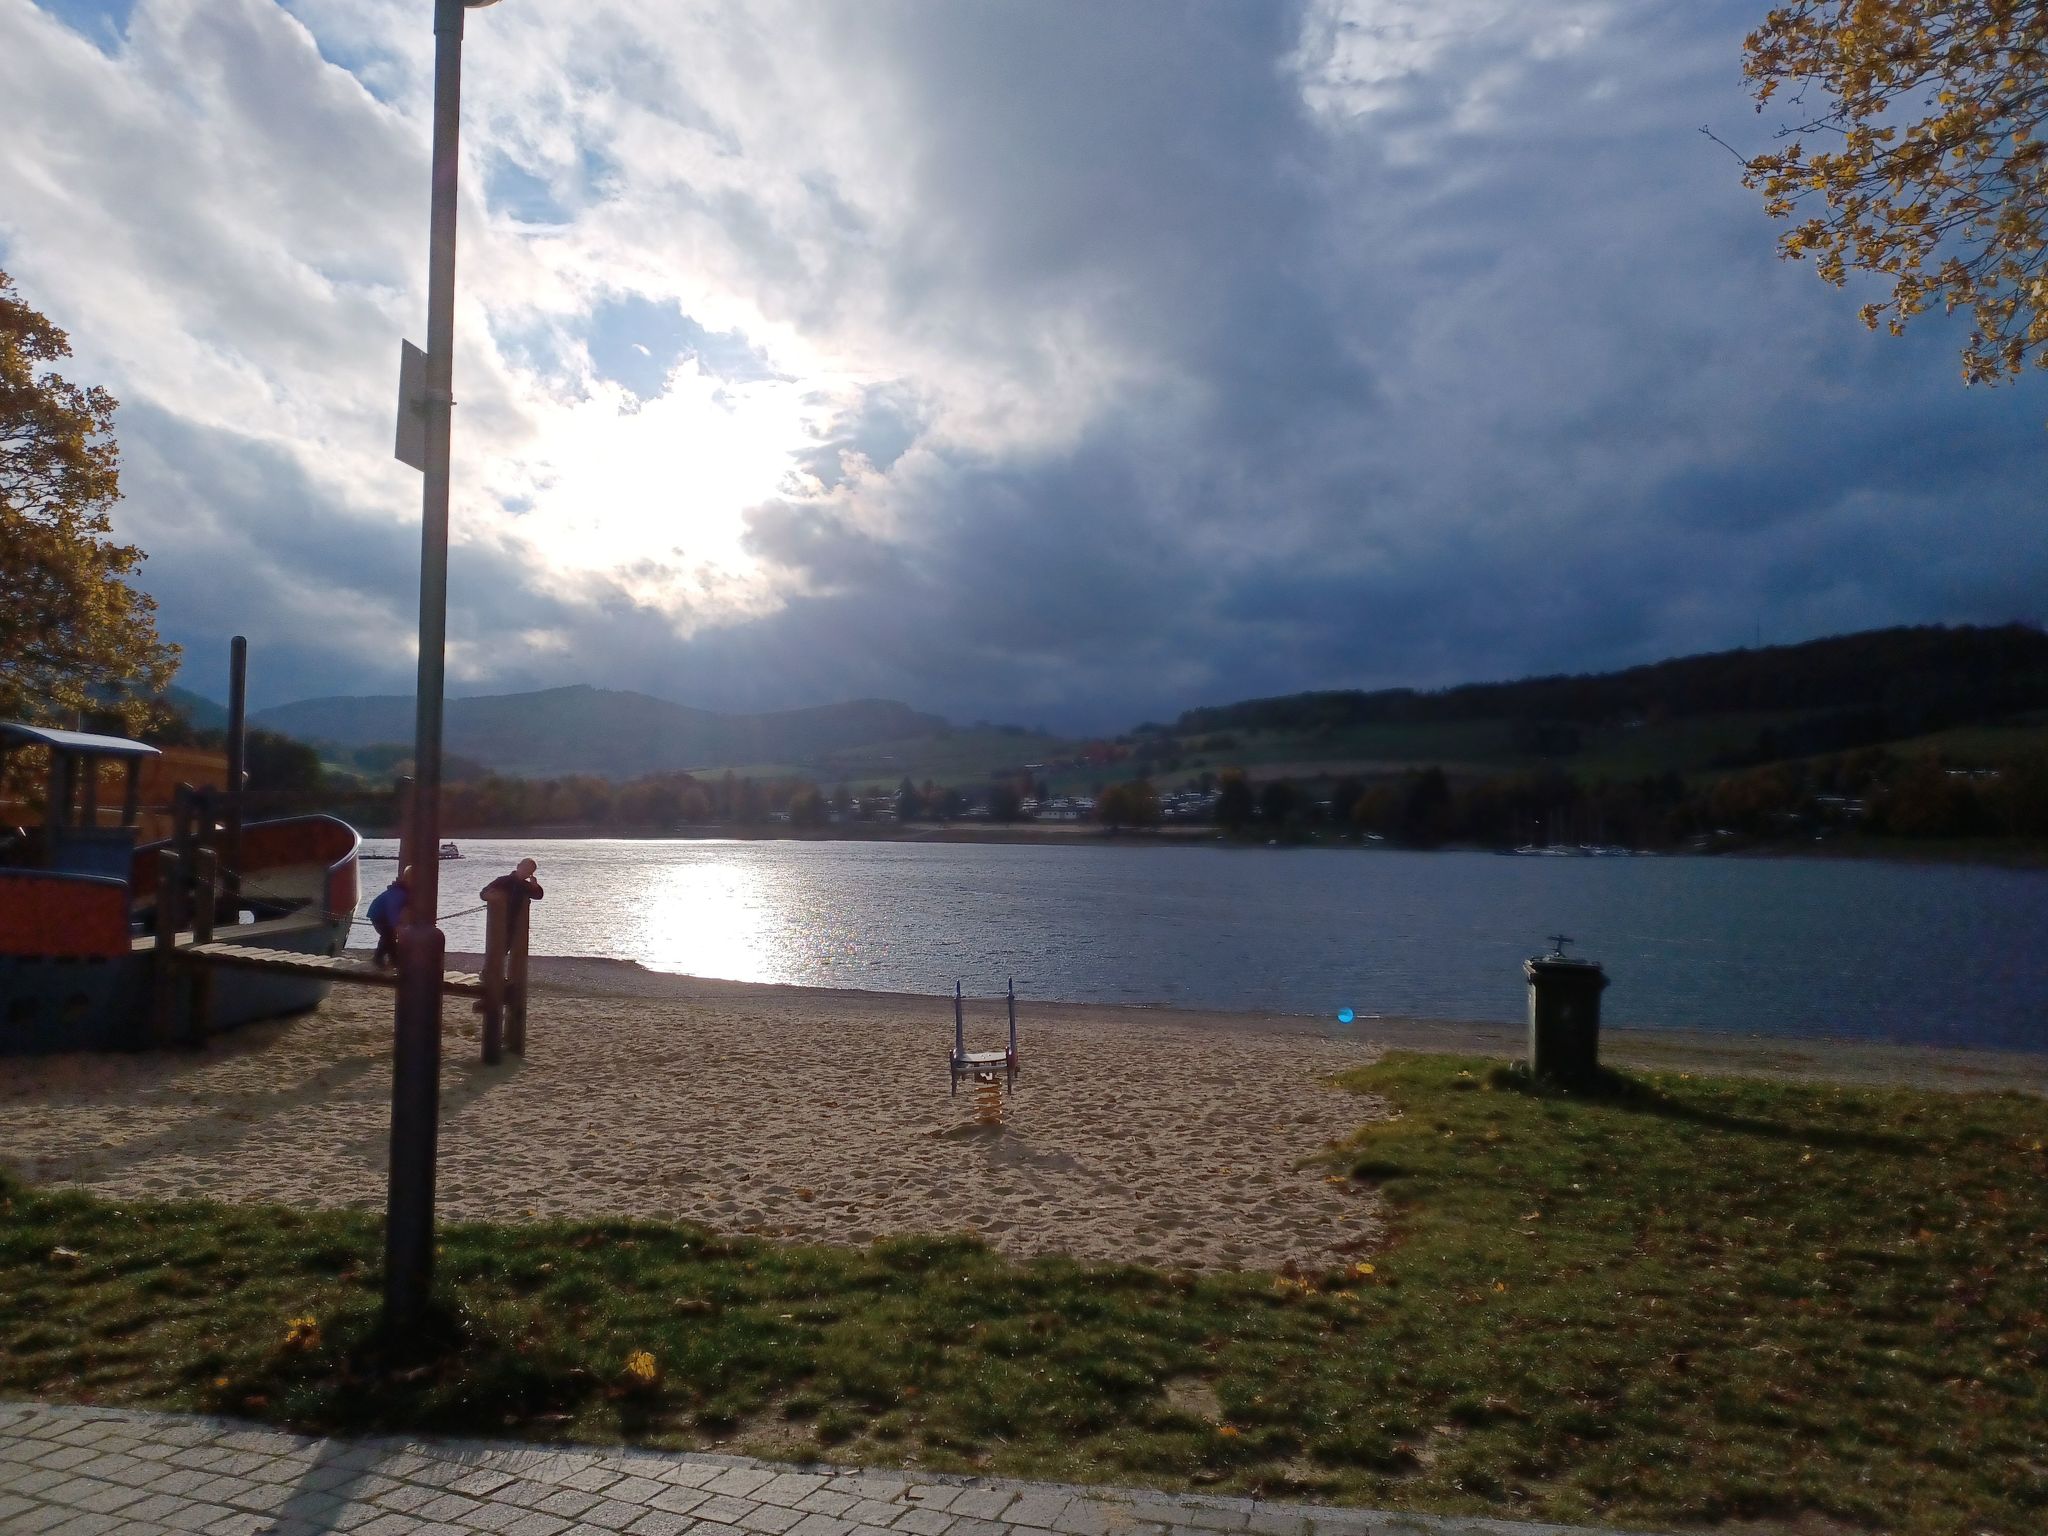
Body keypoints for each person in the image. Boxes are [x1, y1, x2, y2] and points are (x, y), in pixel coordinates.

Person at [366, 866, 411, 969]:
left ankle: (393, 959)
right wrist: (396, 925)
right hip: (379, 915)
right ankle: (380, 958)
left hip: (383, 913)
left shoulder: (403, 891)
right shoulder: (399, 893)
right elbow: (393, 909)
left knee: (389, 937)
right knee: (388, 936)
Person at [479, 857, 543, 906]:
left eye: (529, 872)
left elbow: (539, 896)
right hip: (500, 918)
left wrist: (535, 886)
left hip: (519, 920)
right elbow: (483, 894)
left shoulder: (527, 886)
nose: (526, 873)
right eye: (525, 869)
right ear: (518, 866)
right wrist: (489, 895)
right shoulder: (502, 881)